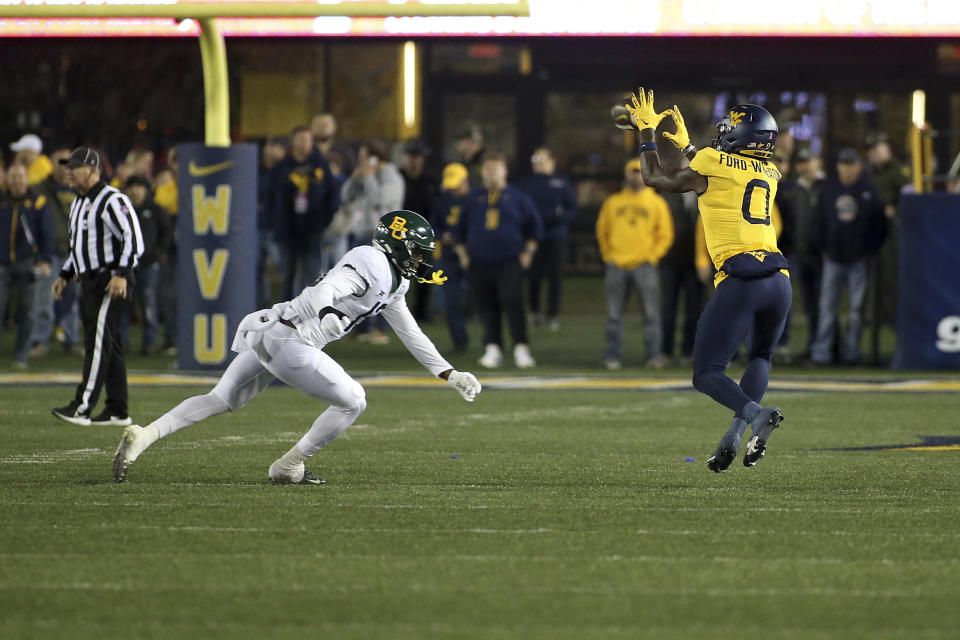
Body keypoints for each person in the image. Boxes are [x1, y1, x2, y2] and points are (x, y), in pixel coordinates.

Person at [112, 210, 480, 485]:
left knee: (222, 399)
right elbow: (328, 288)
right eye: (415, 252)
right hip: (293, 339)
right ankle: (289, 466)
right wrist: (327, 311)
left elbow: (410, 330)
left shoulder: (395, 283)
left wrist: (447, 372)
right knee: (354, 400)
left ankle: (144, 435)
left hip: (269, 329)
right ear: (396, 246)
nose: (420, 261)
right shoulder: (373, 261)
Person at [623, 88, 790, 472]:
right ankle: (734, 436)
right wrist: (688, 148)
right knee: (760, 356)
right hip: (779, 280)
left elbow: (654, 178)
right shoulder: (772, 171)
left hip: (742, 277)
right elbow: (720, 173)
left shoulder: (714, 160)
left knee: (707, 373)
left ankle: (754, 414)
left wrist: (646, 132)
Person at [51, 147, 144, 427]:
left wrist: (121, 273)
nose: (69, 171)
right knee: (109, 345)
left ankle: (81, 406)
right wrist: (66, 273)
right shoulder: (79, 202)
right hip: (90, 282)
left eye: (75, 167)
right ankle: (117, 409)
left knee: (97, 343)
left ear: (92, 169)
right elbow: (81, 246)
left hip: (110, 282)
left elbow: (134, 239)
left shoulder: (111, 199)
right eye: (68, 167)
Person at [455, 151, 542, 369]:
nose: (492, 173)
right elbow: (458, 230)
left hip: (509, 259)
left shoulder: (519, 198)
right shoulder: (473, 198)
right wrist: (464, 255)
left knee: (513, 301)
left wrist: (528, 253)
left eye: (496, 168)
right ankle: (493, 346)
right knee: (487, 305)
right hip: (479, 261)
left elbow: (535, 229)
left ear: (505, 171)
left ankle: (521, 347)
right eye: (488, 169)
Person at [809, 148, 886, 366]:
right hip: (833, 257)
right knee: (827, 308)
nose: (846, 167)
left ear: (858, 166)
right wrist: (823, 248)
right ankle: (822, 353)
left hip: (858, 259)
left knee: (856, 310)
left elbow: (879, 225)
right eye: (843, 163)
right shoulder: (828, 190)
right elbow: (818, 223)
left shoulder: (868, 190)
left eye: (850, 163)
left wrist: (869, 250)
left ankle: (851, 353)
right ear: (838, 166)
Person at [596, 158, 674, 370]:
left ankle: (654, 356)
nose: (635, 175)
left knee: (650, 314)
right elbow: (602, 231)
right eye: (632, 172)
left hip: (644, 265)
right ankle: (612, 356)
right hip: (617, 264)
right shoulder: (613, 202)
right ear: (626, 174)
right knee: (613, 315)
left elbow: (665, 234)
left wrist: (652, 256)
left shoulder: (656, 203)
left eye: (639, 172)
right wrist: (608, 255)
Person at [339, 140, 405, 344]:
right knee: (360, 283)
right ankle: (362, 327)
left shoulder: (391, 176)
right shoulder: (366, 175)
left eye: (364, 158)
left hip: (383, 234)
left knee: (382, 282)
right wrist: (353, 178)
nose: (361, 162)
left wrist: (368, 177)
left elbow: (379, 199)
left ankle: (381, 329)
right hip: (360, 231)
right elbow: (345, 196)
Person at [273, 125, 340, 301]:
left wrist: (324, 219)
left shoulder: (320, 165)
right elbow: (273, 197)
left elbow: (333, 193)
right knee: (287, 276)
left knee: (311, 275)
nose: (306, 143)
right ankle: (284, 317)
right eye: (302, 139)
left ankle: (307, 314)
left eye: (309, 139)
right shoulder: (283, 167)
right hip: (288, 231)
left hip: (313, 230)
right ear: (293, 141)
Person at [515, 147, 578, 331]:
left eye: (542, 159)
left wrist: (561, 218)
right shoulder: (527, 183)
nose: (539, 163)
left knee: (555, 276)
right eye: (536, 160)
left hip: (556, 234)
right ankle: (534, 311)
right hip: (533, 236)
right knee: (533, 275)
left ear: (552, 161)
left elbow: (572, 208)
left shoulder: (561, 181)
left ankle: (553, 314)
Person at [30, 147, 82, 356]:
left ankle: (72, 339)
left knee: (73, 299)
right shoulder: (39, 189)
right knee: (44, 298)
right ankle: (39, 340)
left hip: (74, 253)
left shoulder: (80, 188)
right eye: (59, 161)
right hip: (49, 252)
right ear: (51, 164)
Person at [0, 164, 54, 367]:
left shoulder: (38, 202)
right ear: (7, 179)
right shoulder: (2, 201)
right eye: (13, 176)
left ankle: (21, 356)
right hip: (2, 264)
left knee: (28, 311)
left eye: (20, 176)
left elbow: (46, 234)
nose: (17, 181)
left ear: (27, 178)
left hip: (28, 263)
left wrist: (46, 259)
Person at [123, 175, 171, 354]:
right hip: (126, 265)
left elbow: (166, 232)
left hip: (149, 264)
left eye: (139, 186)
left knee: (149, 303)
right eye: (132, 186)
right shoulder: (121, 210)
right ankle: (123, 341)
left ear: (146, 189)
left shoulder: (156, 210)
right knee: (123, 304)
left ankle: (149, 342)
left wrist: (159, 253)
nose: (135, 190)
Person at [658, 188, 703, 365]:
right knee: (668, 307)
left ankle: (689, 351)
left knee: (694, 308)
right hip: (670, 260)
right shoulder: (667, 196)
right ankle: (665, 351)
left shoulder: (707, 194)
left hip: (696, 262)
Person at [432, 163, 472, 352]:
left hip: (472, 254)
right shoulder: (443, 201)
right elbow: (433, 225)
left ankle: (493, 342)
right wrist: (442, 236)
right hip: (448, 256)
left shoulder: (475, 200)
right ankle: (459, 340)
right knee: (451, 300)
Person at [400, 140, 440, 322]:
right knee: (398, 276)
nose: (415, 161)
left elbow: (437, 207)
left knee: (425, 275)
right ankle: (398, 313)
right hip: (400, 233)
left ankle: (422, 312)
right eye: (411, 157)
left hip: (424, 234)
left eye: (418, 157)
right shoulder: (398, 178)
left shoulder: (430, 179)